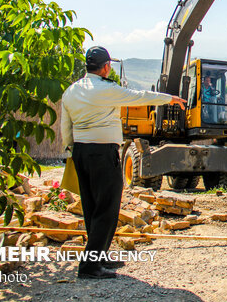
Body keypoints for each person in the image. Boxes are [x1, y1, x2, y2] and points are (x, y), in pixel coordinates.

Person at [61, 46, 185, 280]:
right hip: (102, 152)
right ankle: (89, 266)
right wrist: (170, 98)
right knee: (107, 207)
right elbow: (139, 96)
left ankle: (99, 255)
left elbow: (66, 128)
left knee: (91, 205)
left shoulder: (71, 91)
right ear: (107, 66)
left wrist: (71, 151)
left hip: (80, 152)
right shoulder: (107, 90)